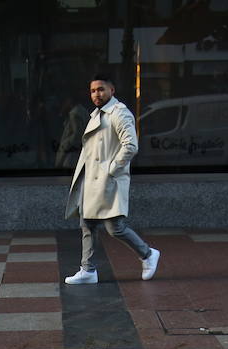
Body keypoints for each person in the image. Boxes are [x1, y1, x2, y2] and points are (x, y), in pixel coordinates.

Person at [62, 75, 159, 284]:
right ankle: (87, 270)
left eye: (101, 89)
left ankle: (148, 254)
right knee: (87, 224)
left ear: (111, 90)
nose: (96, 94)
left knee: (115, 227)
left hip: (107, 180)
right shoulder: (96, 114)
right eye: (93, 91)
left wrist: (111, 170)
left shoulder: (119, 112)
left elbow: (130, 145)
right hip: (92, 181)